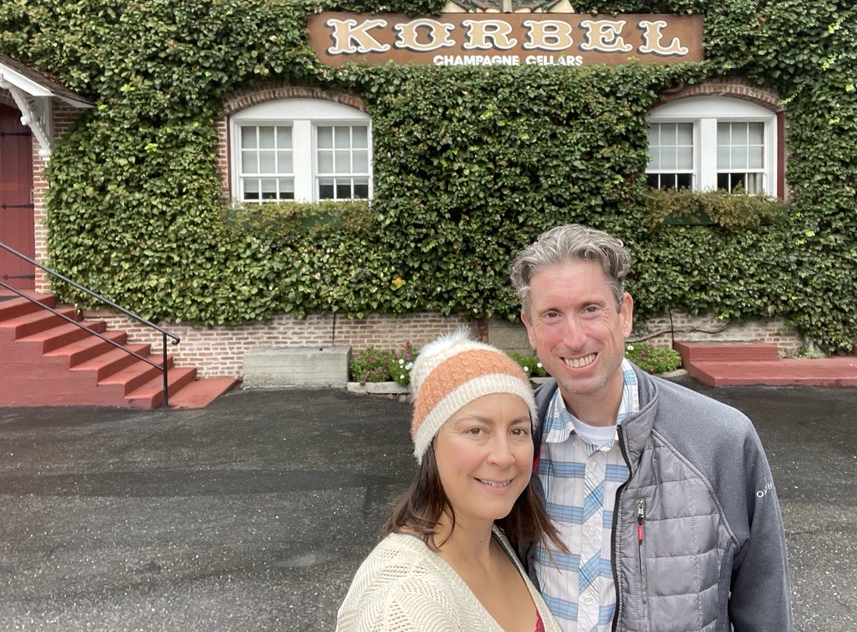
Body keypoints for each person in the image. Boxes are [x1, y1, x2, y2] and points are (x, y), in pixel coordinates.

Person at [509, 224, 793, 632]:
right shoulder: (512, 441)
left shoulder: (720, 439)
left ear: (624, 314)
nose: (573, 338)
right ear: (530, 328)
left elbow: (763, 601)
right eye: (552, 315)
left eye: (591, 309)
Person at [336, 328, 565, 632]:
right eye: (476, 430)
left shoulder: (494, 541)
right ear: (430, 444)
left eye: (518, 431)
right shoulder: (401, 606)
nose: (504, 456)